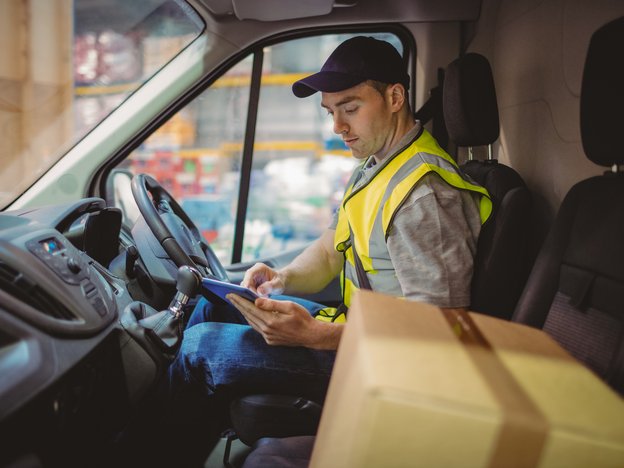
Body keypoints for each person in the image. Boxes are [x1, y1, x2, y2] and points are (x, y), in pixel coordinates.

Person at [166, 35, 491, 462]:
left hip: (392, 372)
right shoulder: (376, 167)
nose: (337, 126)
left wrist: (317, 336)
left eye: (350, 108)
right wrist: (281, 277)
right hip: (358, 335)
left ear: (395, 97)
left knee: (199, 347)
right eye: (330, 112)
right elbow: (332, 247)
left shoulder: (424, 195)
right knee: (211, 307)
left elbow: (440, 332)